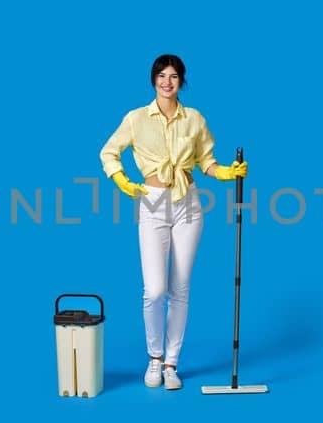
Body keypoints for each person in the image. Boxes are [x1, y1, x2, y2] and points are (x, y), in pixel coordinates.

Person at [99, 54, 248, 390]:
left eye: (174, 76)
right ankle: (153, 358)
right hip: (152, 203)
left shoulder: (194, 119)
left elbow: (206, 160)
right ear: (153, 79)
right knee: (155, 290)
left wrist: (225, 172)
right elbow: (108, 151)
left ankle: (170, 364)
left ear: (182, 81)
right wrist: (120, 179)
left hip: (188, 205)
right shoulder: (136, 119)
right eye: (161, 75)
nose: (167, 81)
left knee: (180, 289)